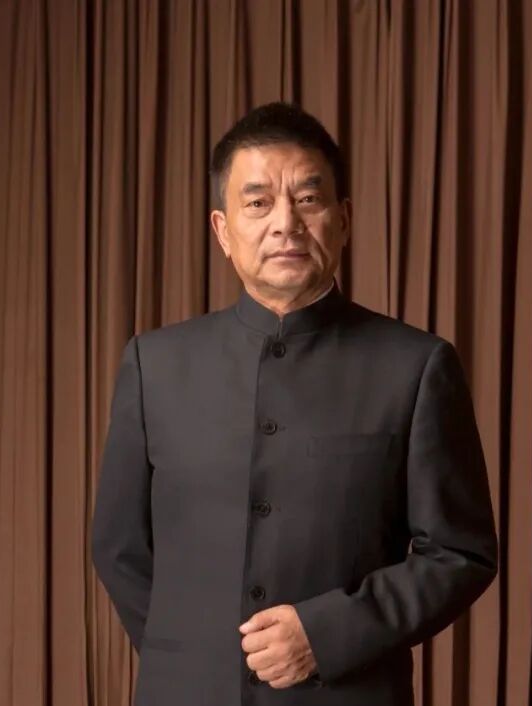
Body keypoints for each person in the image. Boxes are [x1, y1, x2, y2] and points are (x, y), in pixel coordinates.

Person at [91, 102, 498, 706]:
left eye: (308, 199)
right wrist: (193, 655)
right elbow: (119, 546)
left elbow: (461, 554)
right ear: (223, 230)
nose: (286, 223)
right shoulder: (155, 364)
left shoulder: (416, 366)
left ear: (344, 220)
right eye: (258, 203)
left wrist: (328, 635)